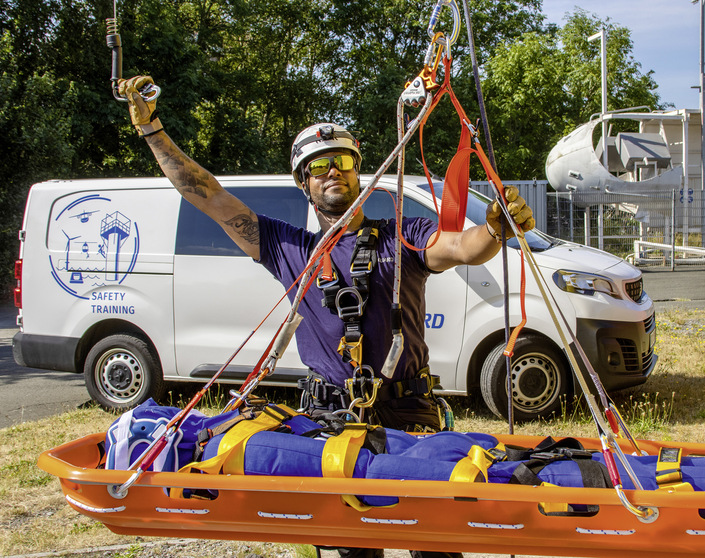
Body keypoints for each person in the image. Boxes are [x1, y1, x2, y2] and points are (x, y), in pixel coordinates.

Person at [118, 75, 534, 556]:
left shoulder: (403, 234)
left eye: (342, 163)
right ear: (304, 183)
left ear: (359, 173)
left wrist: (494, 227)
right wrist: (153, 131)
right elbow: (208, 196)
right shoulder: (288, 248)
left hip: (409, 410)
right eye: (319, 167)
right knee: (351, 542)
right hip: (330, 417)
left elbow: (463, 246)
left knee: (435, 538)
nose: (333, 172)